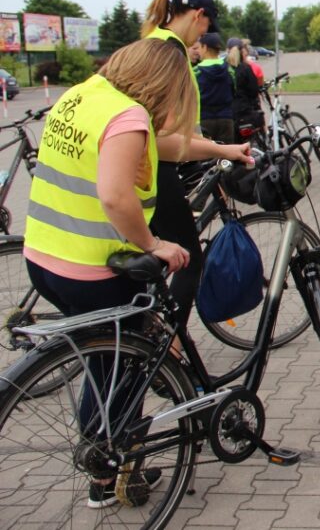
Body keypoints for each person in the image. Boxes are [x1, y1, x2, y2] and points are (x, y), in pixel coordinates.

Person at [23, 39, 197, 507]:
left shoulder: (81, 95)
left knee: (103, 362)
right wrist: (154, 244)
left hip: (45, 258)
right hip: (93, 271)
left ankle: (104, 458)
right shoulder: (129, 116)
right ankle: (109, 472)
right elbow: (117, 196)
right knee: (122, 370)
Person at [141, 0, 252, 326]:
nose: (203, 34)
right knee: (189, 258)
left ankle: (152, 331)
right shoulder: (170, 54)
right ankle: (170, 353)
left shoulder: (153, 42)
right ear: (197, 14)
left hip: (141, 164)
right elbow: (165, 139)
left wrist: (211, 145)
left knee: (153, 258)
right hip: (151, 170)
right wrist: (220, 149)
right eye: (206, 24)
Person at [194, 32, 235, 143]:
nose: (198, 51)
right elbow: (234, 90)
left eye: (199, 47)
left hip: (204, 119)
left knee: (205, 157)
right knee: (226, 156)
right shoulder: (228, 69)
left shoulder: (196, 71)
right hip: (226, 119)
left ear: (205, 47)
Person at [227, 38, 263, 137]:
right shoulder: (246, 68)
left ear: (227, 50)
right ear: (242, 51)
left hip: (229, 114)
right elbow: (254, 91)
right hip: (245, 111)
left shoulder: (224, 68)